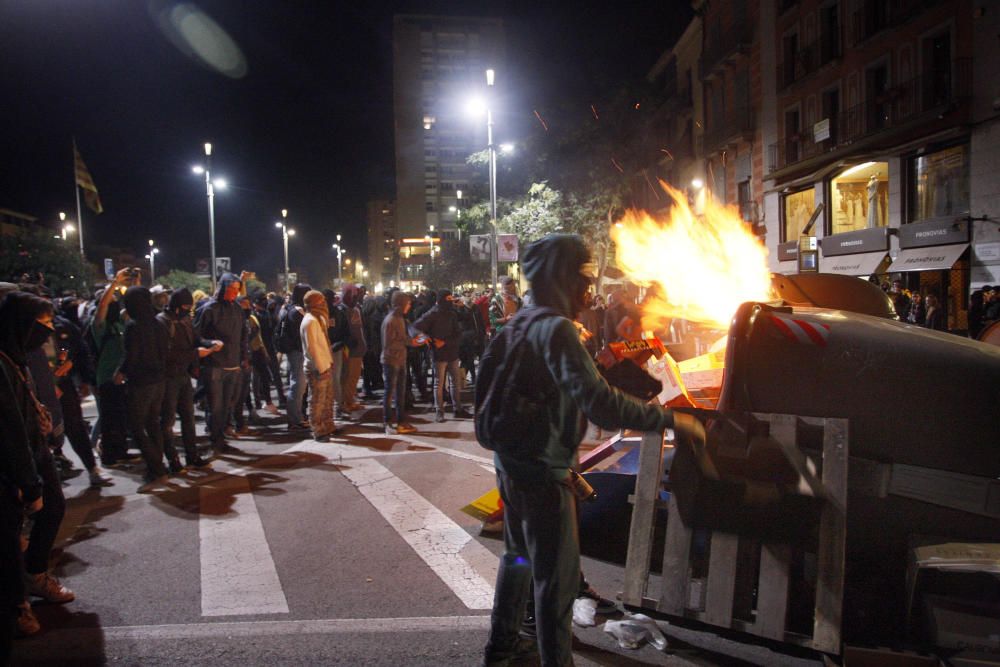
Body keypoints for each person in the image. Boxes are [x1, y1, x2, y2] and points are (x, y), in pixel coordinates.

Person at [482, 234, 674, 667]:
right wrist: (671, 419)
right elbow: (600, 402)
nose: (588, 290)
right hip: (543, 475)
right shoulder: (556, 329)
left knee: (517, 558)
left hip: (511, 468)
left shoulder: (519, 323)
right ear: (562, 279)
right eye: (582, 278)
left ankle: (502, 648)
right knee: (557, 579)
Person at [0, 290, 75, 641]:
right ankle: (18, 605)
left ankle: (36, 574)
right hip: (13, 459)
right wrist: (28, 481)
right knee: (10, 533)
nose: (48, 330)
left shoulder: (21, 355)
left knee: (54, 507)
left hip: (37, 447)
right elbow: (10, 426)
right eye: (42, 323)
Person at [118, 286, 171, 487]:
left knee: (137, 427)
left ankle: (157, 469)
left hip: (141, 382)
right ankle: (157, 467)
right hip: (159, 380)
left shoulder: (134, 326)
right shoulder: (158, 324)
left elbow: (131, 354)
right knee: (153, 423)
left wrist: (121, 372)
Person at [159, 288, 217, 470]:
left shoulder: (185, 320)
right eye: (185, 307)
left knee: (188, 418)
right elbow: (166, 353)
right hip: (168, 377)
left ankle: (192, 456)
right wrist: (195, 354)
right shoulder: (162, 322)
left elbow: (196, 339)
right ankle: (173, 459)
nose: (187, 311)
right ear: (176, 305)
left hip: (183, 376)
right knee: (167, 421)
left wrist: (210, 344)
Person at [194, 272, 250, 454]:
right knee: (215, 406)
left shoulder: (237, 309)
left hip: (233, 365)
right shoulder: (209, 309)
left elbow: (243, 336)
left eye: (237, 289)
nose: (234, 292)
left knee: (227, 405)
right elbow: (196, 335)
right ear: (223, 288)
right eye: (231, 289)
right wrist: (209, 343)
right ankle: (215, 439)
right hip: (214, 365)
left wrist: (244, 357)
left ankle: (221, 436)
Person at [414, 288, 469, 422]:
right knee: (439, 384)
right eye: (448, 299)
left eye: (451, 299)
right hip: (439, 355)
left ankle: (458, 409)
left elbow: (458, 333)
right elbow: (415, 328)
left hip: (452, 353)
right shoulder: (432, 314)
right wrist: (429, 341)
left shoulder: (451, 313)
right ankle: (440, 412)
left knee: (455, 382)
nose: (450, 301)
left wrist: (444, 342)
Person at [300, 290, 337, 440]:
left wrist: (329, 362)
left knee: (328, 399)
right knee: (317, 400)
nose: (324, 304)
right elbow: (313, 348)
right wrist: (322, 368)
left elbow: (324, 344)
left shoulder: (317, 319)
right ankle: (318, 429)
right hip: (317, 368)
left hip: (324, 365)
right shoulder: (309, 321)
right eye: (321, 301)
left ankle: (328, 425)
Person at [381, 291, 415, 435]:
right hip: (391, 360)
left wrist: (411, 341)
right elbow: (388, 344)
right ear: (401, 304)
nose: (409, 306)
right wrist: (408, 342)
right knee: (390, 392)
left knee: (400, 392)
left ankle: (401, 421)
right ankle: (388, 422)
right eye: (407, 304)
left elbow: (402, 338)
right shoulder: (390, 320)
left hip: (401, 359)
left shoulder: (400, 318)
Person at [278, 284, 311, 430]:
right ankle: (294, 419)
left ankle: (297, 417)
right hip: (297, 352)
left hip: (296, 352)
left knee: (299, 385)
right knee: (297, 385)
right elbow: (300, 335)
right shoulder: (296, 312)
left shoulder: (291, 310)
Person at [339, 284, 366, 414]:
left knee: (354, 377)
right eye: (354, 295)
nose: (356, 298)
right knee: (347, 377)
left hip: (358, 349)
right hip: (349, 350)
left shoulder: (355, 309)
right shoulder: (341, 310)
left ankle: (350, 400)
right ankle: (344, 402)